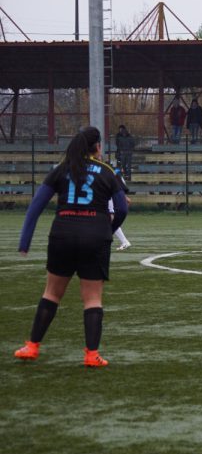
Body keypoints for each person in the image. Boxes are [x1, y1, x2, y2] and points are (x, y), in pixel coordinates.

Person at [14, 126, 128, 367]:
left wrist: (24, 242)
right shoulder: (108, 171)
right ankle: (91, 355)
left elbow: (35, 206)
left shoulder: (61, 169)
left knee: (52, 294)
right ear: (97, 147)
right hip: (95, 236)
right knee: (92, 298)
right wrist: (107, 229)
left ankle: (32, 347)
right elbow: (122, 208)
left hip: (63, 234)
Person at [109, 168, 132, 251]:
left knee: (110, 220)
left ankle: (124, 242)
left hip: (112, 198)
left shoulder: (107, 172)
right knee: (111, 221)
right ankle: (124, 241)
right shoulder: (113, 172)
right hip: (115, 196)